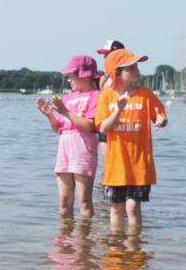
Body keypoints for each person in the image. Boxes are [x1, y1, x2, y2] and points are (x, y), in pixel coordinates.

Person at [94, 49, 167, 231]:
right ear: (117, 72)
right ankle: (116, 249)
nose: (137, 70)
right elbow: (103, 128)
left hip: (139, 163)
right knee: (117, 208)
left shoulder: (145, 94)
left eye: (137, 66)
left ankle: (134, 249)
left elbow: (160, 117)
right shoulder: (107, 96)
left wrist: (161, 121)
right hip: (116, 165)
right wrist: (118, 110)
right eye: (131, 67)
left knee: (133, 206)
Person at [36, 55, 101, 217]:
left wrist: (64, 111)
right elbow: (59, 128)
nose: (69, 80)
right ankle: (64, 238)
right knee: (64, 201)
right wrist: (50, 115)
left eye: (71, 76)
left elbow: (90, 126)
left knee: (84, 201)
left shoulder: (96, 96)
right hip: (65, 149)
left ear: (85, 75)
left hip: (83, 149)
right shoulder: (69, 97)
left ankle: (83, 240)